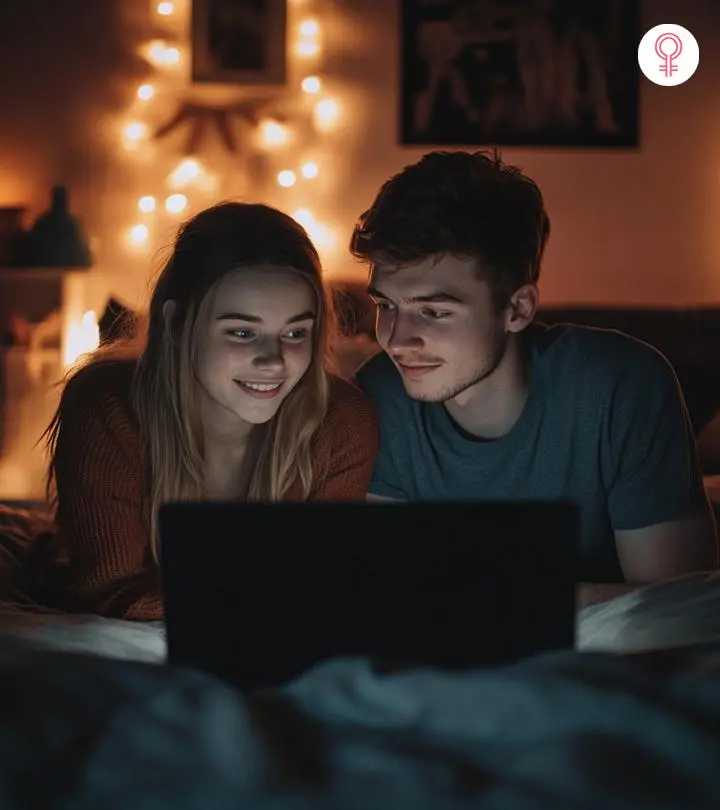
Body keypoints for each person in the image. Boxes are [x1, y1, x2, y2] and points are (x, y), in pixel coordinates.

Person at [351, 150, 718, 608]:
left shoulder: (622, 385)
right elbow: (383, 596)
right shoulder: (378, 396)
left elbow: (678, 612)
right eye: (386, 306)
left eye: (434, 312)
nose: (397, 340)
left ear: (518, 309)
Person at [43, 202, 379, 620]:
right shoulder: (110, 407)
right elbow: (110, 592)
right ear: (179, 325)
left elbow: (319, 585)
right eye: (242, 332)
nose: (274, 361)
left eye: (295, 332)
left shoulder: (342, 421)